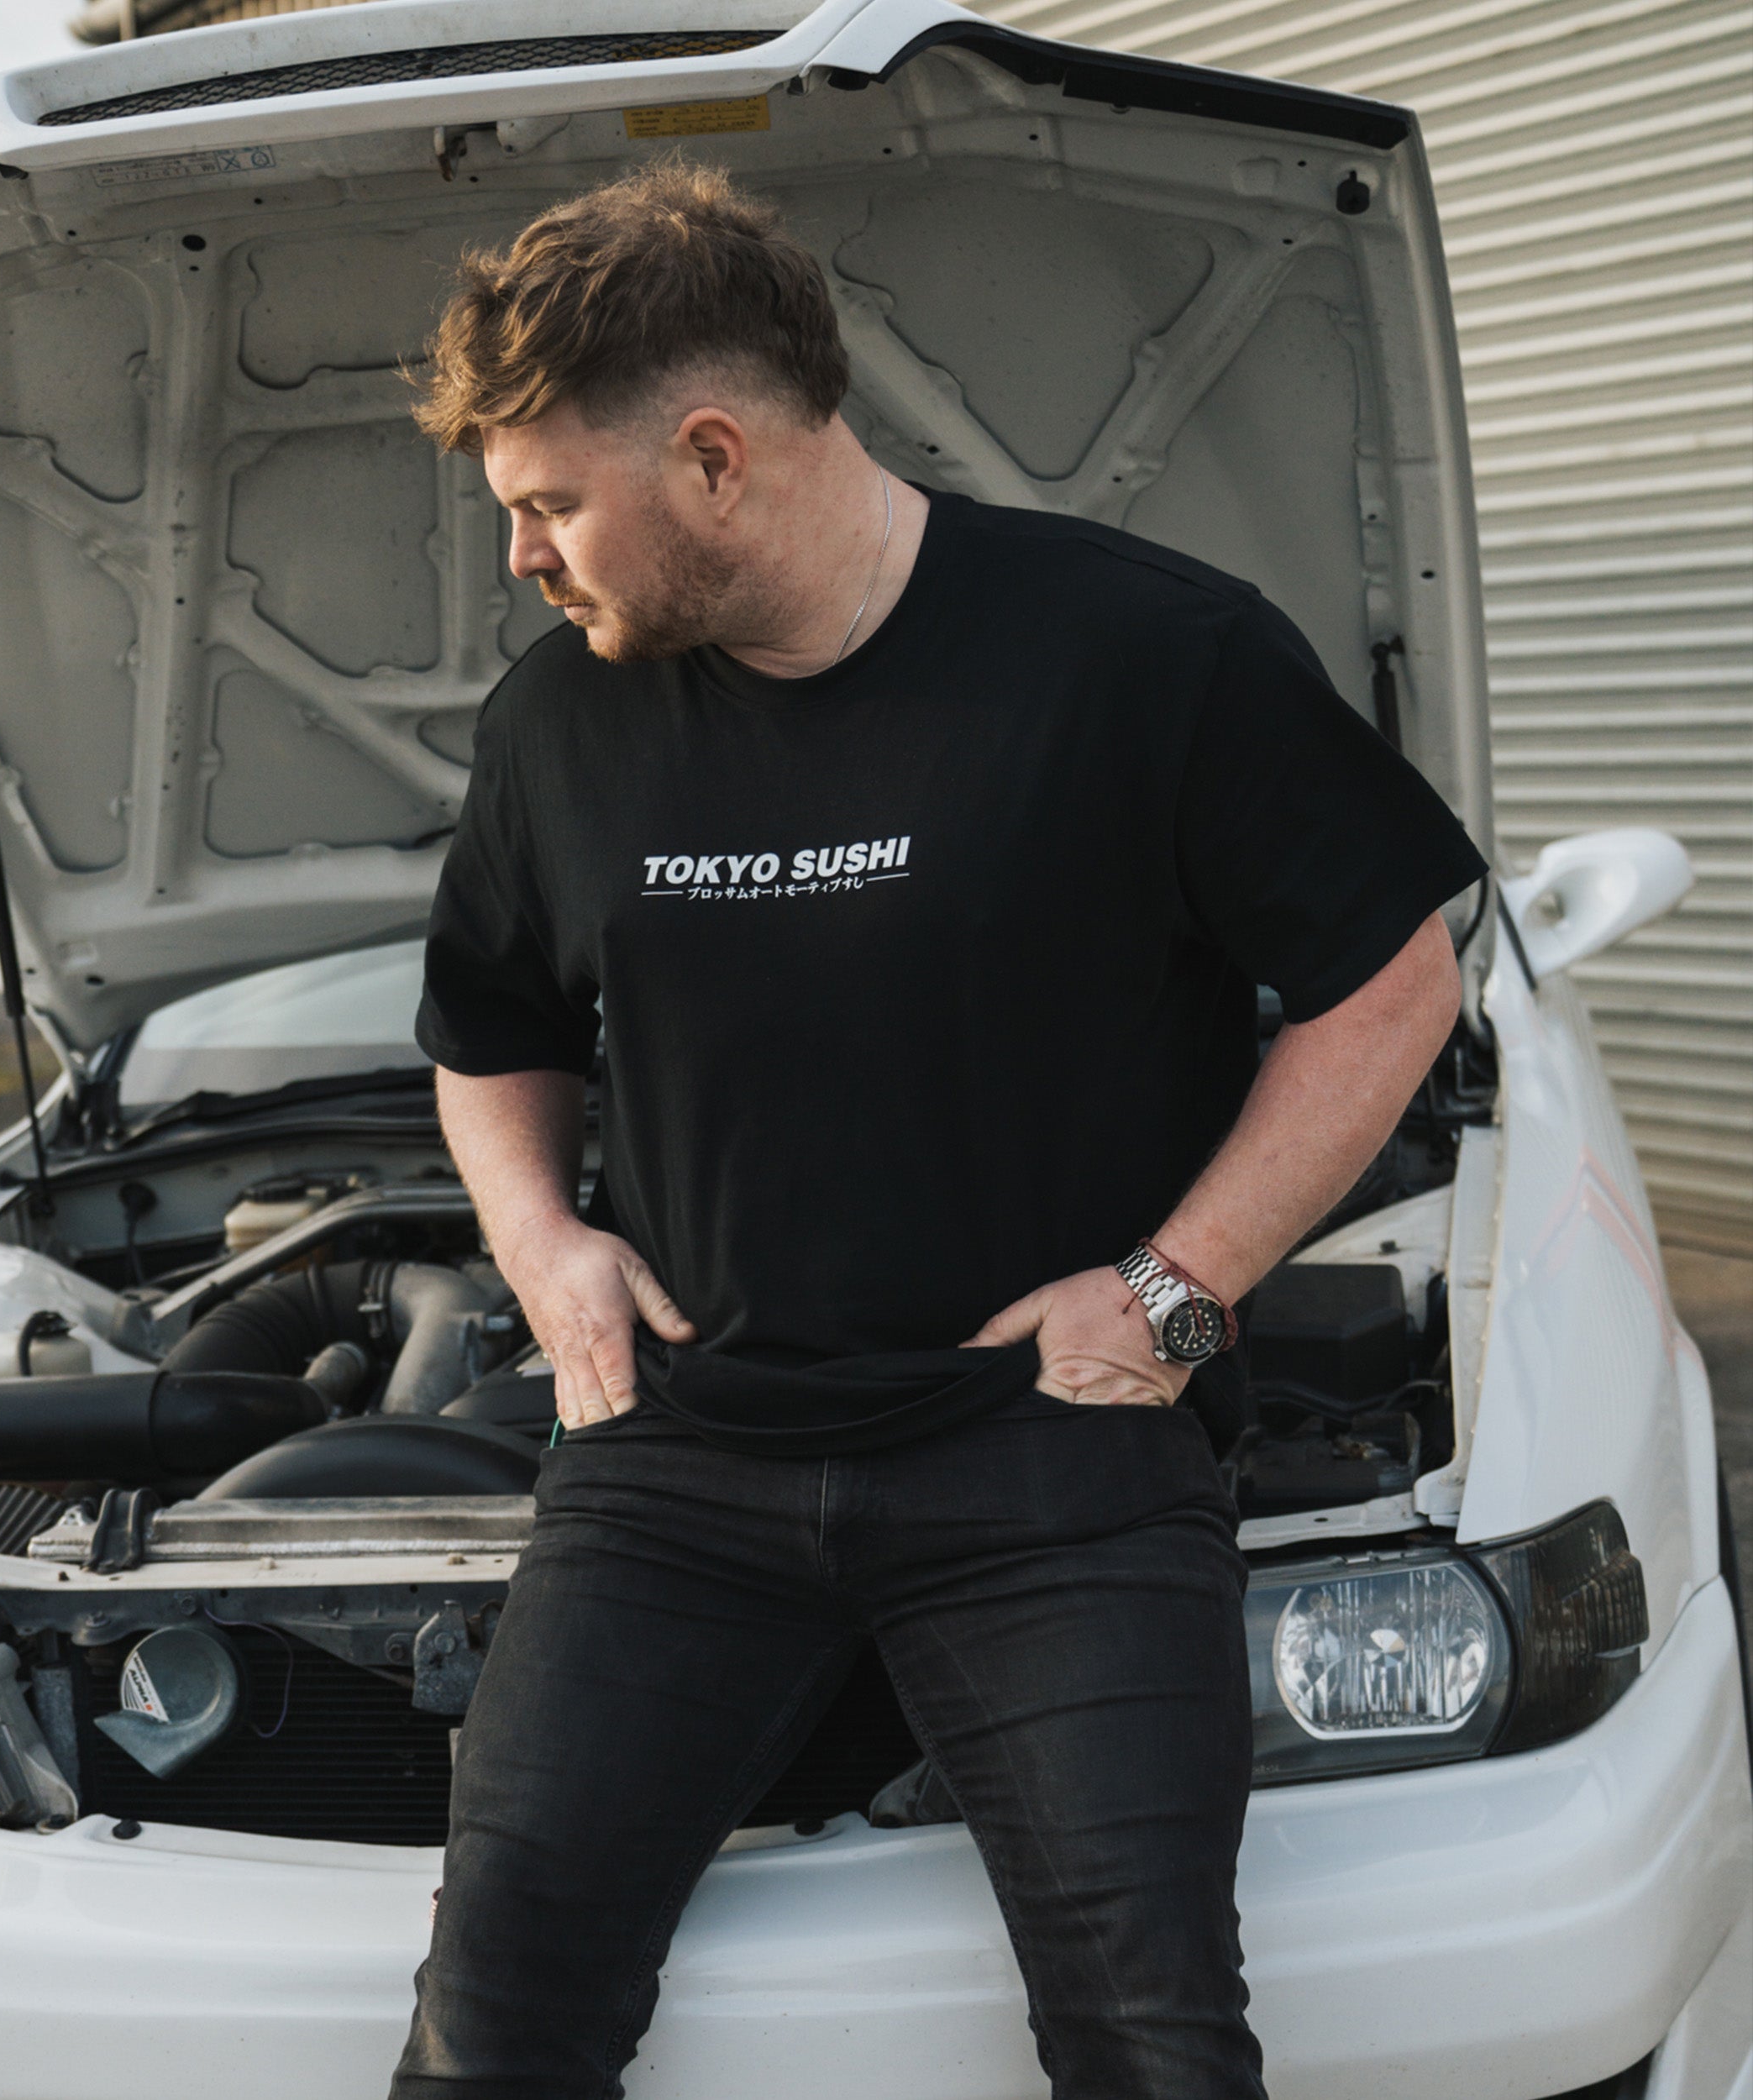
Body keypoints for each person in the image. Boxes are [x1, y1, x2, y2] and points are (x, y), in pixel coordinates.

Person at [392, 162, 1486, 2100]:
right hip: (685, 1466)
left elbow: (1388, 979)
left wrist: (1179, 1286)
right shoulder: (561, 721)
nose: (524, 561)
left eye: (548, 506)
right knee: (495, 2019)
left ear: (713, 459)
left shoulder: (1144, 653)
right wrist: (543, 1250)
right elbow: (487, 1028)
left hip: (1050, 1455)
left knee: (1150, 2035)